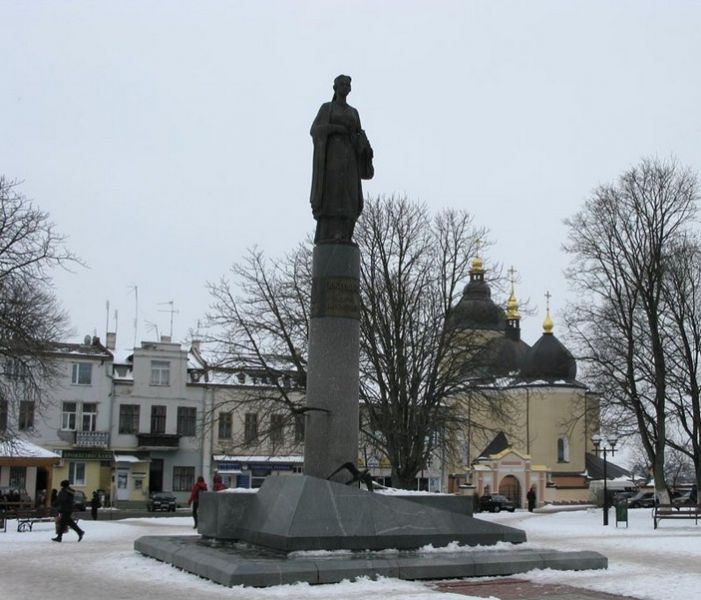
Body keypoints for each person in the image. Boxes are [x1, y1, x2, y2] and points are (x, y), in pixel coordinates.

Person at [309, 74, 374, 244]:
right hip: (332, 159)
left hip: (350, 160)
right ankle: (330, 234)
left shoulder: (354, 112)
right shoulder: (327, 108)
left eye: (347, 84)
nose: (345, 87)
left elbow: (359, 134)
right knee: (333, 194)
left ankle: (346, 234)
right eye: (342, 84)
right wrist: (335, 128)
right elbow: (315, 130)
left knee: (350, 196)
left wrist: (364, 148)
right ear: (335, 88)